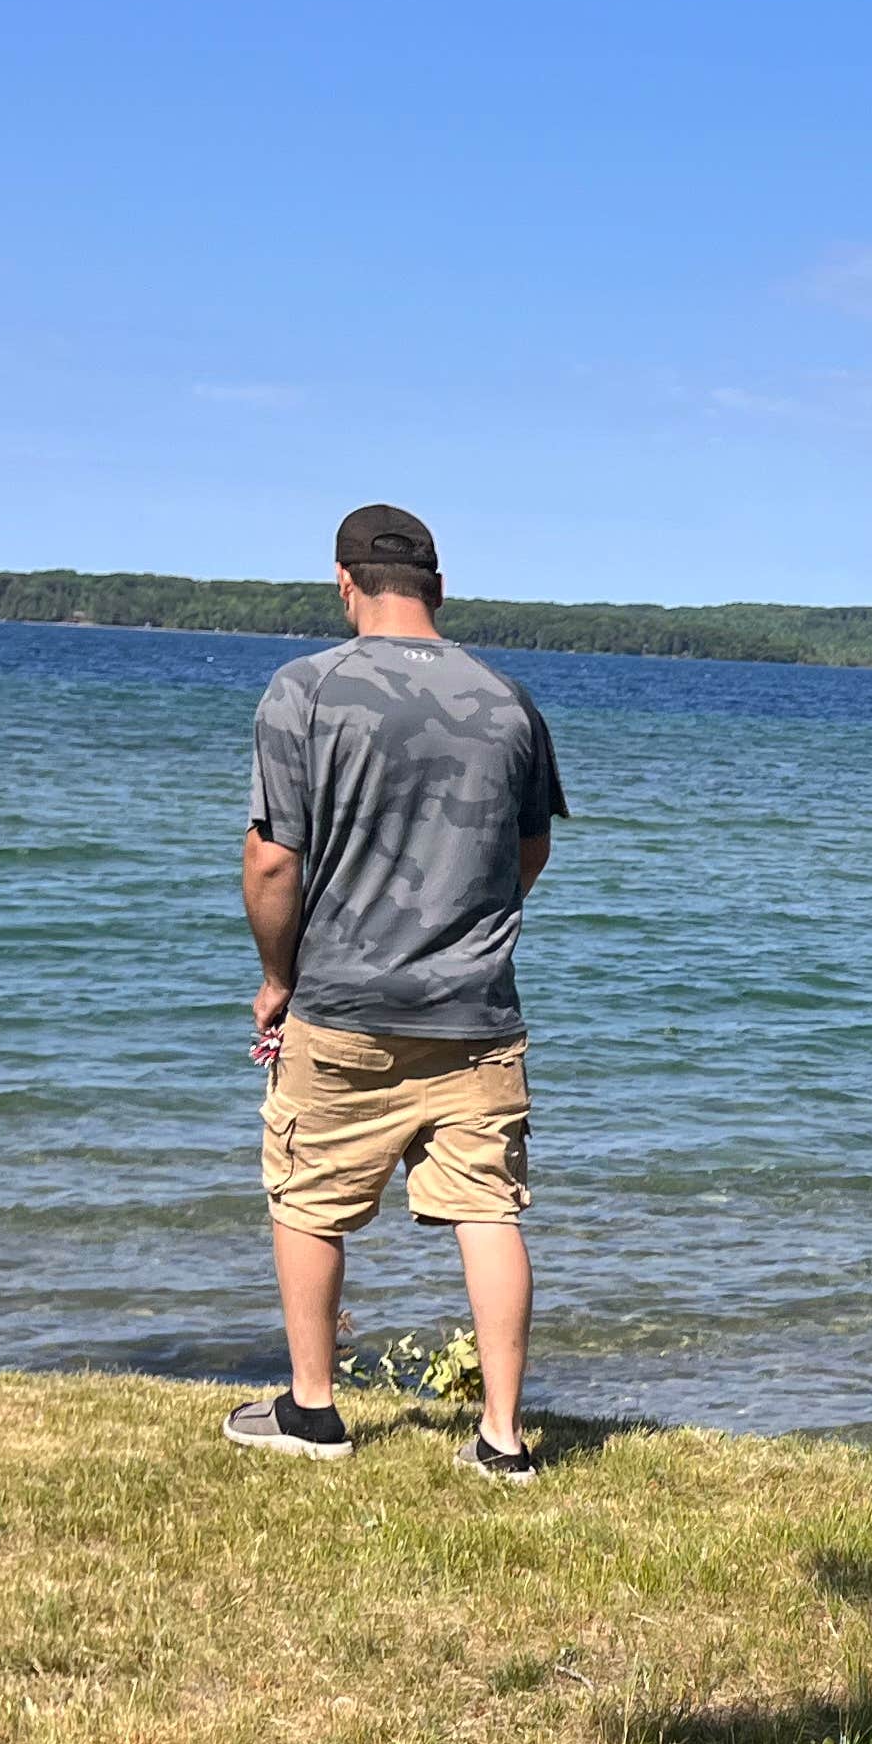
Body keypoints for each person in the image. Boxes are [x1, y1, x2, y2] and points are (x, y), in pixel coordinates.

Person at [228, 503, 567, 1479]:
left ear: (343, 582)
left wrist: (276, 978)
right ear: (439, 589)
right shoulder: (508, 699)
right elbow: (531, 846)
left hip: (342, 1006)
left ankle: (314, 1410)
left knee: (309, 1197)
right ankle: (503, 1441)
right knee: (488, 1211)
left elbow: (269, 863)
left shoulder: (305, 691)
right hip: (478, 1015)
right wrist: (470, 918)